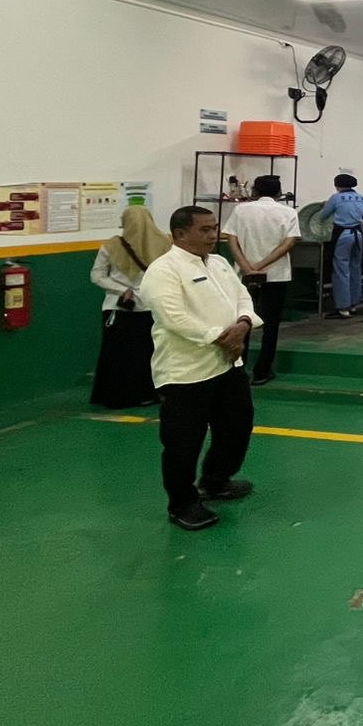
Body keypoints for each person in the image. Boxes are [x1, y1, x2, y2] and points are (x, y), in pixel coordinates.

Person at [140, 206, 260, 531]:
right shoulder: (163, 270)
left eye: (214, 228)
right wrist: (221, 337)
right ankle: (182, 504)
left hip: (227, 366)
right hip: (185, 373)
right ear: (180, 234)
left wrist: (244, 324)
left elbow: (242, 297)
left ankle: (216, 481)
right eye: (204, 230)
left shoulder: (218, 263)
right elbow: (173, 318)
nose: (213, 235)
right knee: (183, 443)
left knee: (237, 427)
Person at [222, 175, 301, 385]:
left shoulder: (240, 210)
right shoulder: (288, 212)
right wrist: (262, 264)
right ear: (279, 193)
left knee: (242, 320)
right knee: (271, 323)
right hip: (276, 275)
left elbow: (231, 239)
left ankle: (238, 367)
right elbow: (288, 243)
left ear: (254, 191)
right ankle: (263, 371)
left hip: (245, 274)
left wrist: (247, 266)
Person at [88, 206, 168, 409]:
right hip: (151, 309)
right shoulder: (165, 245)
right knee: (148, 354)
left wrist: (122, 289)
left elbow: (96, 276)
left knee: (116, 355)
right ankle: (147, 393)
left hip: (118, 308)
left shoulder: (111, 246)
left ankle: (115, 397)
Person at [317, 173, 363, 317]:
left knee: (341, 270)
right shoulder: (361, 197)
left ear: (337, 185)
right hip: (358, 234)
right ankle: (354, 304)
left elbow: (322, 216)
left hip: (343, 235)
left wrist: (325, 206)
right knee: (355, 268)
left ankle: (343, 307)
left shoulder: (336, 198)